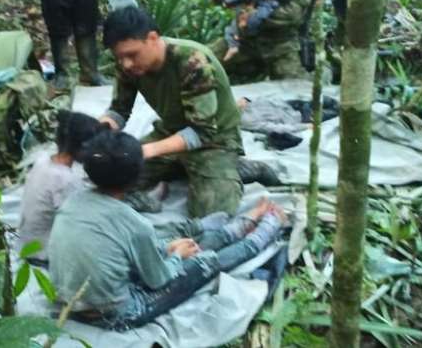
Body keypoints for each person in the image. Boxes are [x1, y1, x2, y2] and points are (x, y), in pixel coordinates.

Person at [48, 130, 284, 330]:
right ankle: (267, 227)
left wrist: (168, 249)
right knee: (205, 262)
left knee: (180, 243)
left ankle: (243, 224)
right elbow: (158, 280)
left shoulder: (72, 202)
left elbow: (119, 246)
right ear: (135, 177)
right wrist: (175, 257)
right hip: (115, 314)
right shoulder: (134, 223)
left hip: (72, 305)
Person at [100, 6, 243, 217]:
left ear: (153, 38)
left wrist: (146, 151)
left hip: (214, 140)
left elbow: (202, 132)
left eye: (132, 55)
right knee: (108, 176)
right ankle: (180, 167)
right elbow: (119, 109)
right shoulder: (128, 64)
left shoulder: (192, 61)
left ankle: (237, 169)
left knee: (214, 214)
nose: (126, 64)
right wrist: (104, 127)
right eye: (119, 57)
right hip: (170, 131)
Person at [17, 110, 103, 264]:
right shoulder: (66, 180)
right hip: (42, 252)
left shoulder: (43, 159)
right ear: (82, 148)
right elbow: (80, 222)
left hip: (26, 242)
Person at [223, 0, 295, 62]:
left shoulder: (270, 4)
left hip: (250, 29)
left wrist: (245, 24)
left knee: (229, 31)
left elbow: (259, 17)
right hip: (247, 27)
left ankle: (233, 46)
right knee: (231, 29)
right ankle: (234, 43)